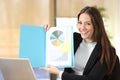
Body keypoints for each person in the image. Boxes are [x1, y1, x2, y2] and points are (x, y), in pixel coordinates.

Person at [42, 6, 120, 80]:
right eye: (80, 22)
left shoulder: (107, 51)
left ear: (96, 25)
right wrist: (48, 31)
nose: (82, 27)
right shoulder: (74, 39)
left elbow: (91, 79)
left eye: (88, 23)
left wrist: (59, 73)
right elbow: (55, 46)